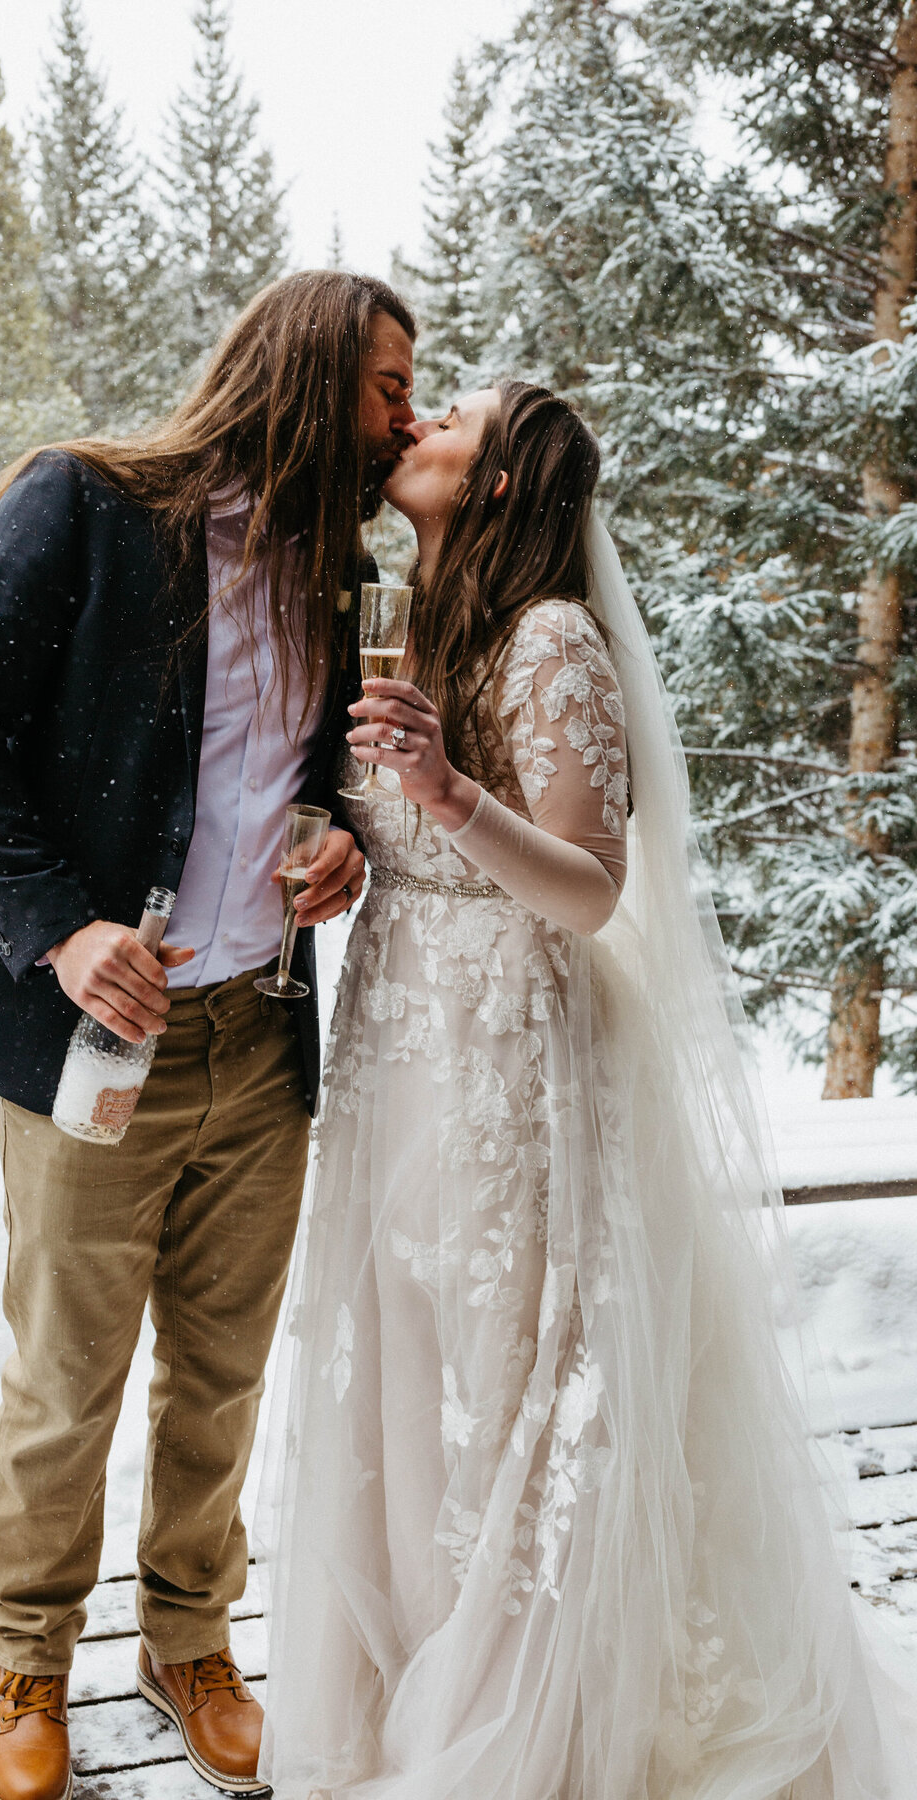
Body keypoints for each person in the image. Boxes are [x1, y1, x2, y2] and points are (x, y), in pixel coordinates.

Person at [257, 380, 915, 1797]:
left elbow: (591, 884)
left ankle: (523, 1713)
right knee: (407, 1351)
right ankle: (425, 1672)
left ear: (495, 487)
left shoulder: (551, 637)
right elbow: (397, 829)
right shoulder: (406, 619)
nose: (414, 426)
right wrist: (345, 852)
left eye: (448, 422)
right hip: (397, 1028)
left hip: (509, 1045)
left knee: (506, 1369)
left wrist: (445, 799)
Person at [0, 270, 417, 1800]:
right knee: (69, 1375)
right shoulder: (84, 503)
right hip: (94, 1042)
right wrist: (60, 928)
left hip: (261, 1037)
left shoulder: (340, 570)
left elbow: (308, 772)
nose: (405, 416)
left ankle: (189, 1643)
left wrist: (340, 842)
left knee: (224, 1372)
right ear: (316, 377)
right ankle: (25, 1664)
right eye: (391, 384)